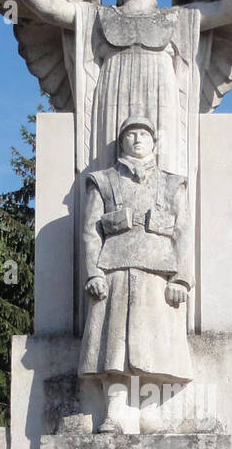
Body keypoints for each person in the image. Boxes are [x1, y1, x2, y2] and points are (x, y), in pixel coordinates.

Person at [78, 116, 192, 432]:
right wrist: (93, 273)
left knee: (154, 344)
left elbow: (183, 232)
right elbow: (90, 232)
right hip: (113, 270)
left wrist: (182, 277)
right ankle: (114, 411)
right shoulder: (102, 180)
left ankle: (150, 411)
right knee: (113, 348)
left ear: (154, 141)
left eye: (143, 133)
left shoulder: (173, 183)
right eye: (131, 134)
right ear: (122, 141)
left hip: (158, 273)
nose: (138, 139)